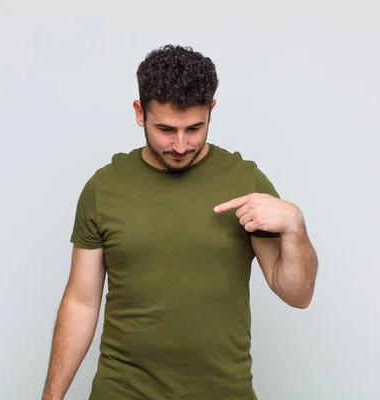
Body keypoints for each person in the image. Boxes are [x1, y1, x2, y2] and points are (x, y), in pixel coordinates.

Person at [42, 44, 318, 400]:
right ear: (140, 113)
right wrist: (51, 397)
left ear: (211, 111)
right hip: (122, 390)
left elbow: (298, 295)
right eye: (166, 129)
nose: (181, 144)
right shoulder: (104, 187)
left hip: (223, 391)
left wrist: (295, 227)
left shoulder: (245, 182)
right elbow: (81, 301)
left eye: (194, 128)